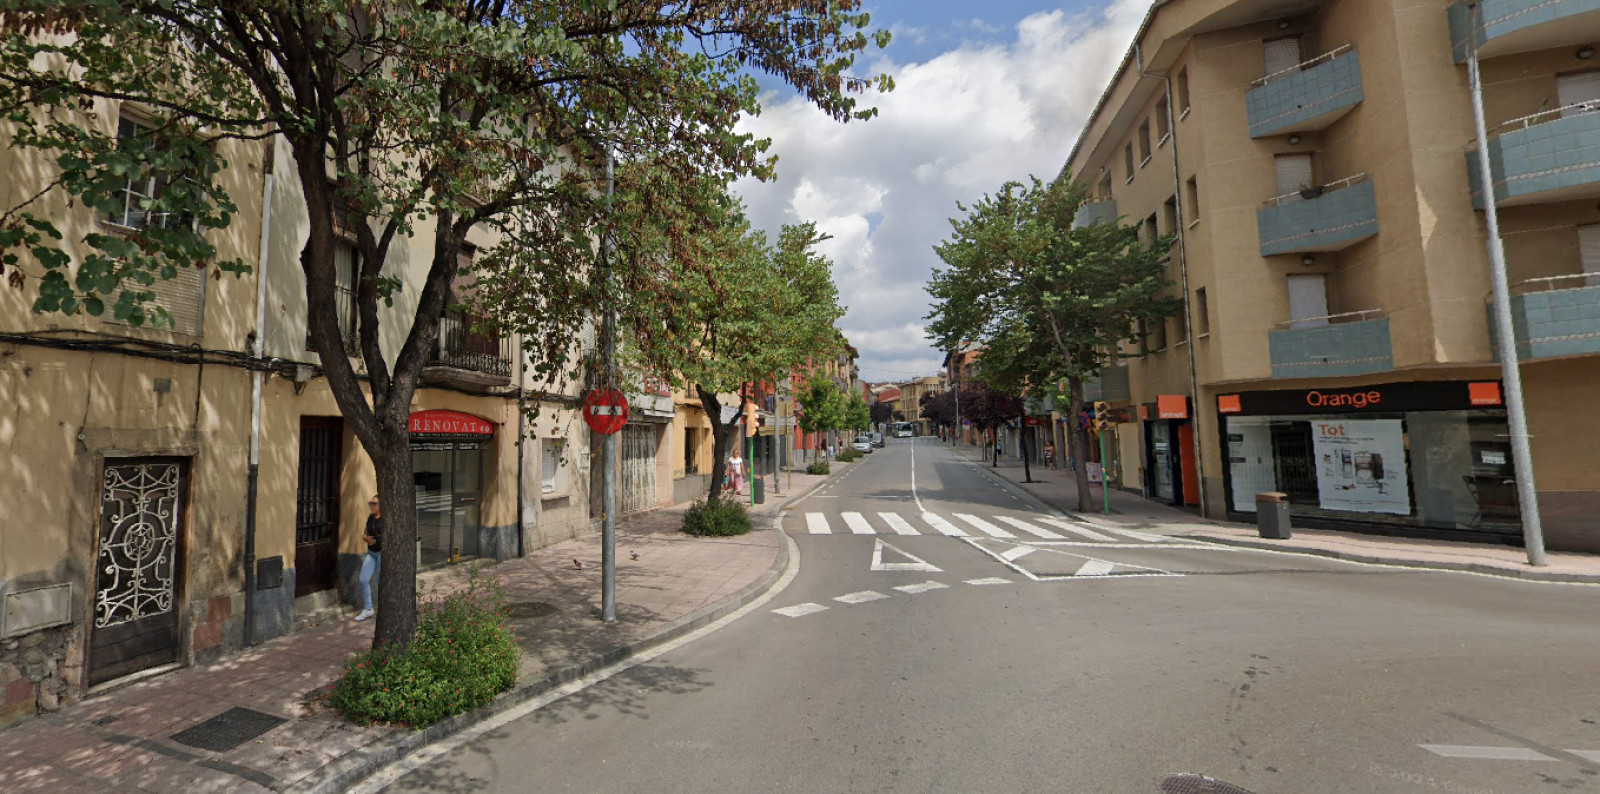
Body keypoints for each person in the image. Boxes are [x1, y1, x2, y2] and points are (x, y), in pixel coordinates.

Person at [355, 494, 382, 622]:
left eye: (374, 504)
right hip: (371, 553)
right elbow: (365, 533)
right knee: (363, 579)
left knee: (380, 582)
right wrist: (366, 539)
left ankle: (383, 609)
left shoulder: (385, 519)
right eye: (370, 503)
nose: (371, 506)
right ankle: (368, 608)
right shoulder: (371, 518)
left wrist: (376, 540)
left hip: (382, 553)